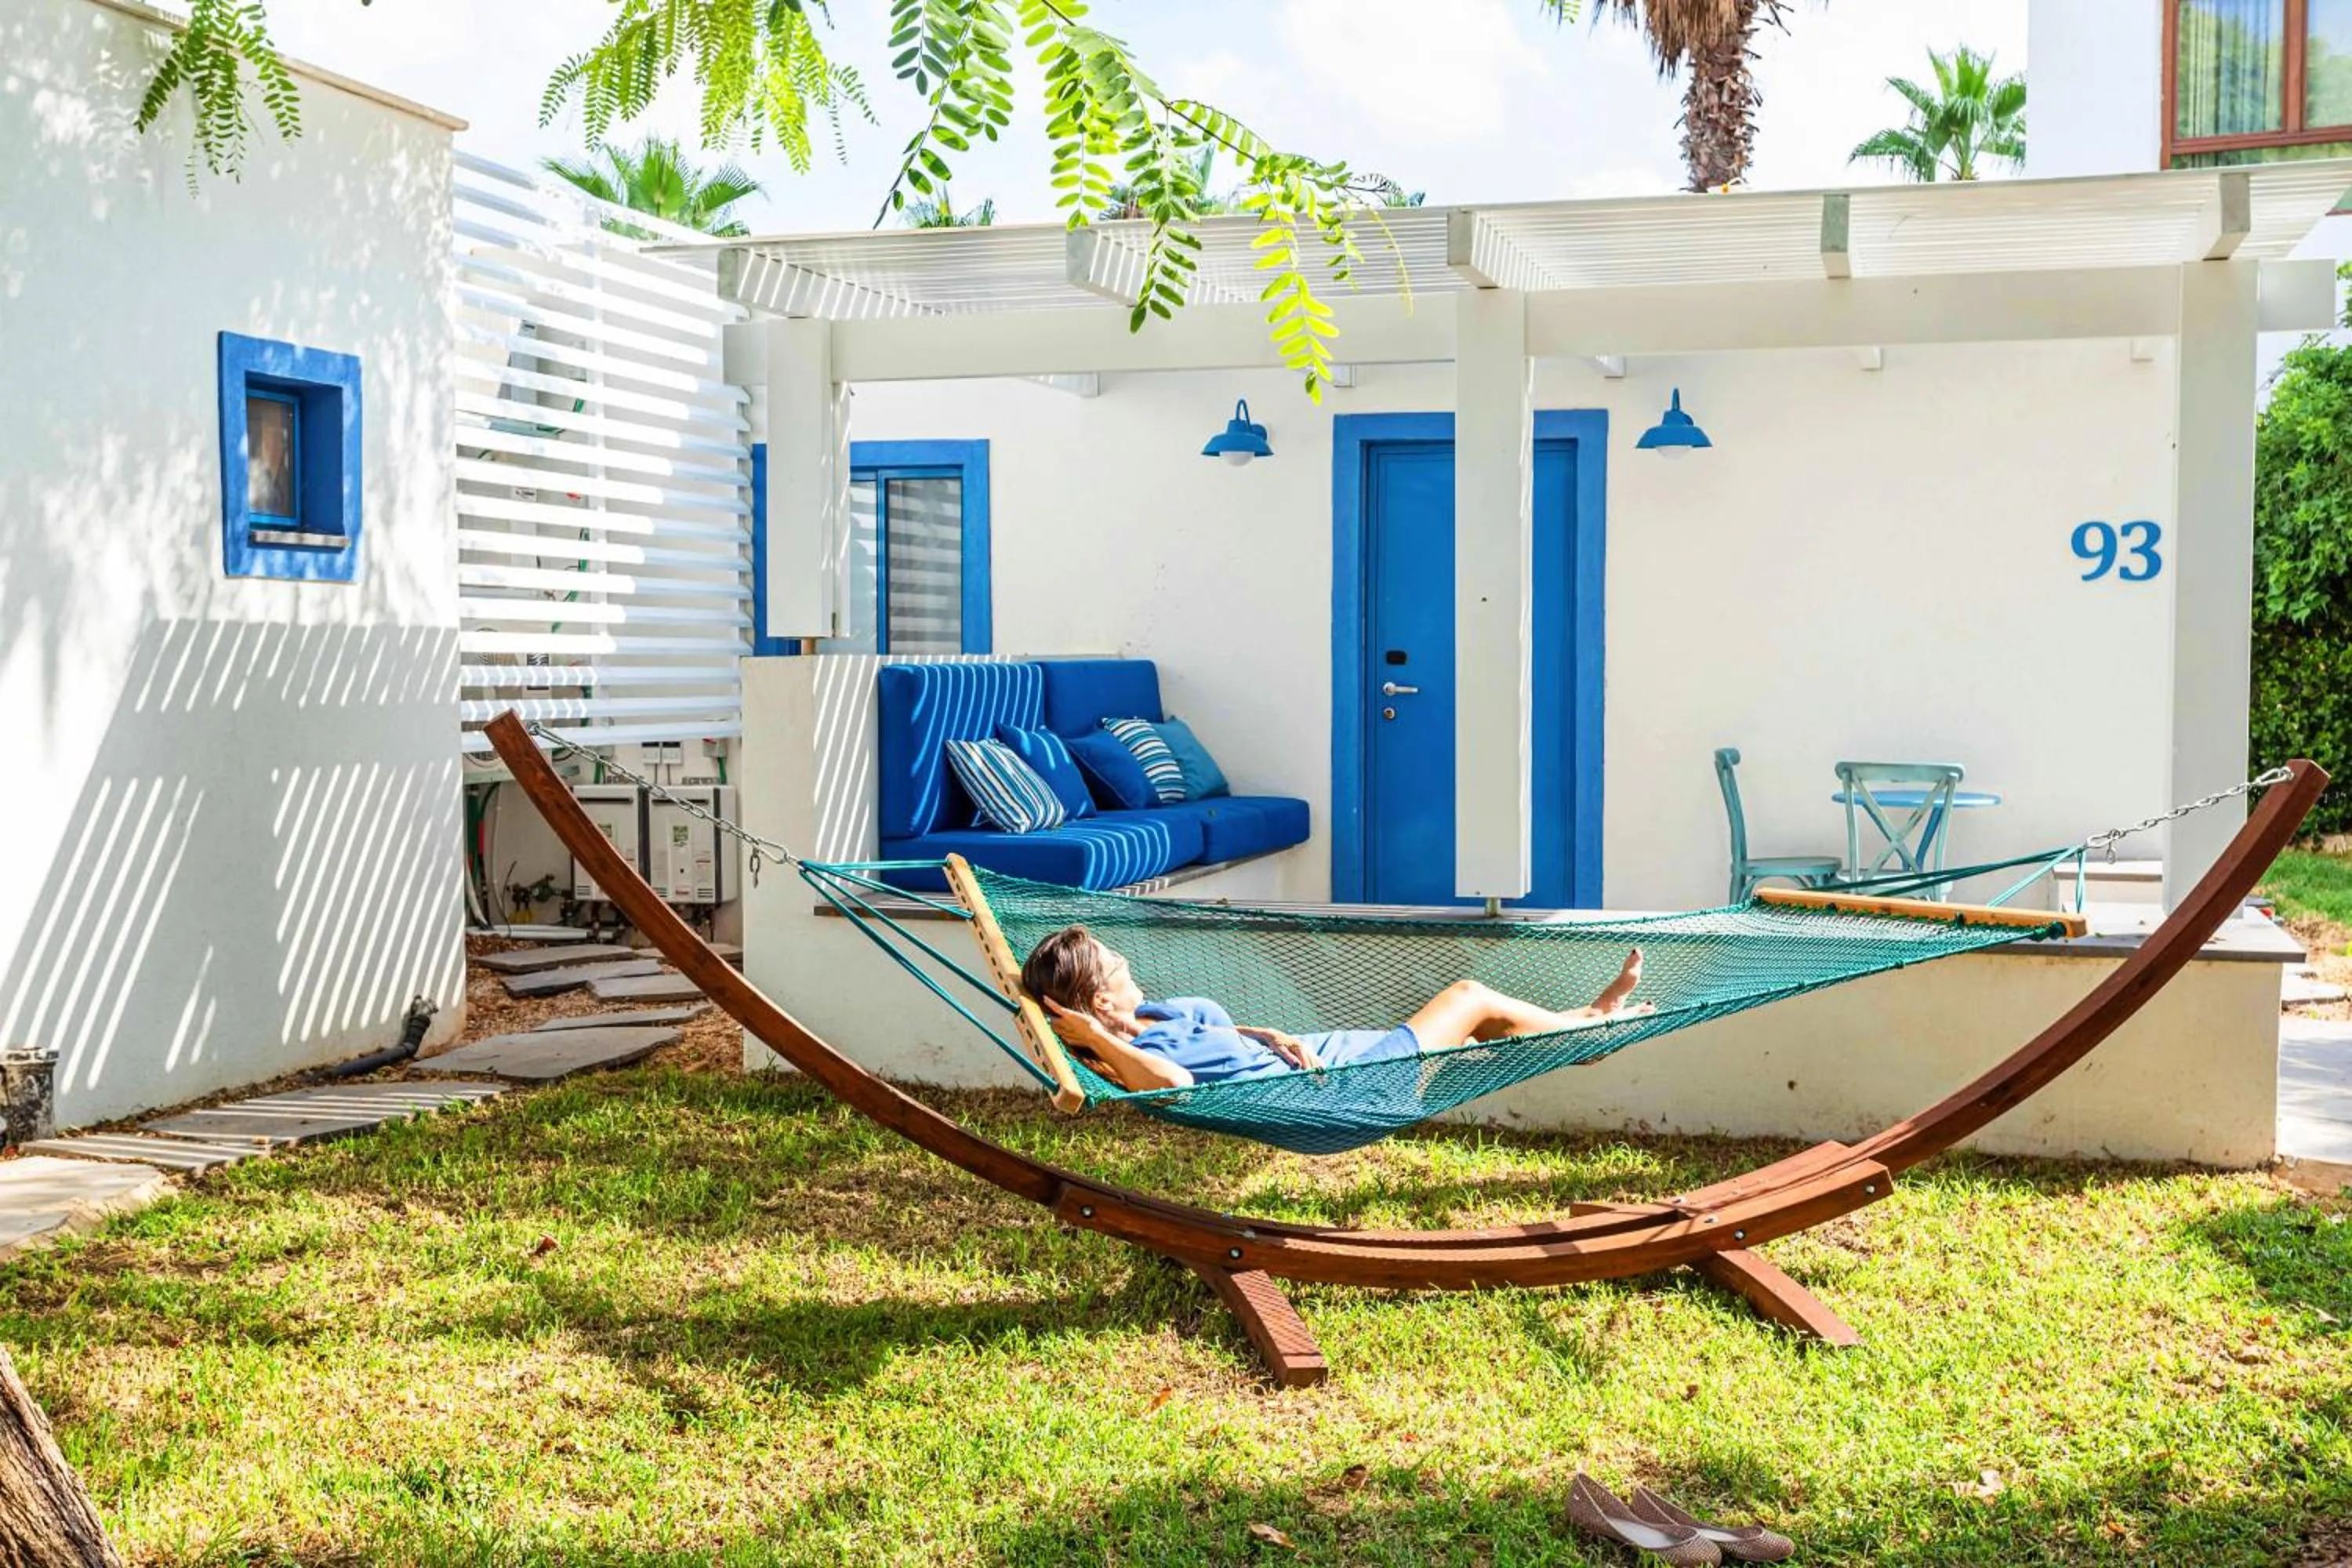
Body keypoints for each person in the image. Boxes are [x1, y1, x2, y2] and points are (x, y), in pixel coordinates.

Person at [1018, 924, 1648, 1093]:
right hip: (1343, 1088)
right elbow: (1180, 1081)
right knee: (1469, 998)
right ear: (1100, 1000)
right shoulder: (1143, 1055)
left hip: (1333, 1051)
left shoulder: (1158, 1015)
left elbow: (1217, 1041)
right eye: (1116, 965)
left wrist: (1257, 1031)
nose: (1127, 962)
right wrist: (1098, 1040)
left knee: (1489, 1025)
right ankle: (1594, 1026)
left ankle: (1587, 1027)